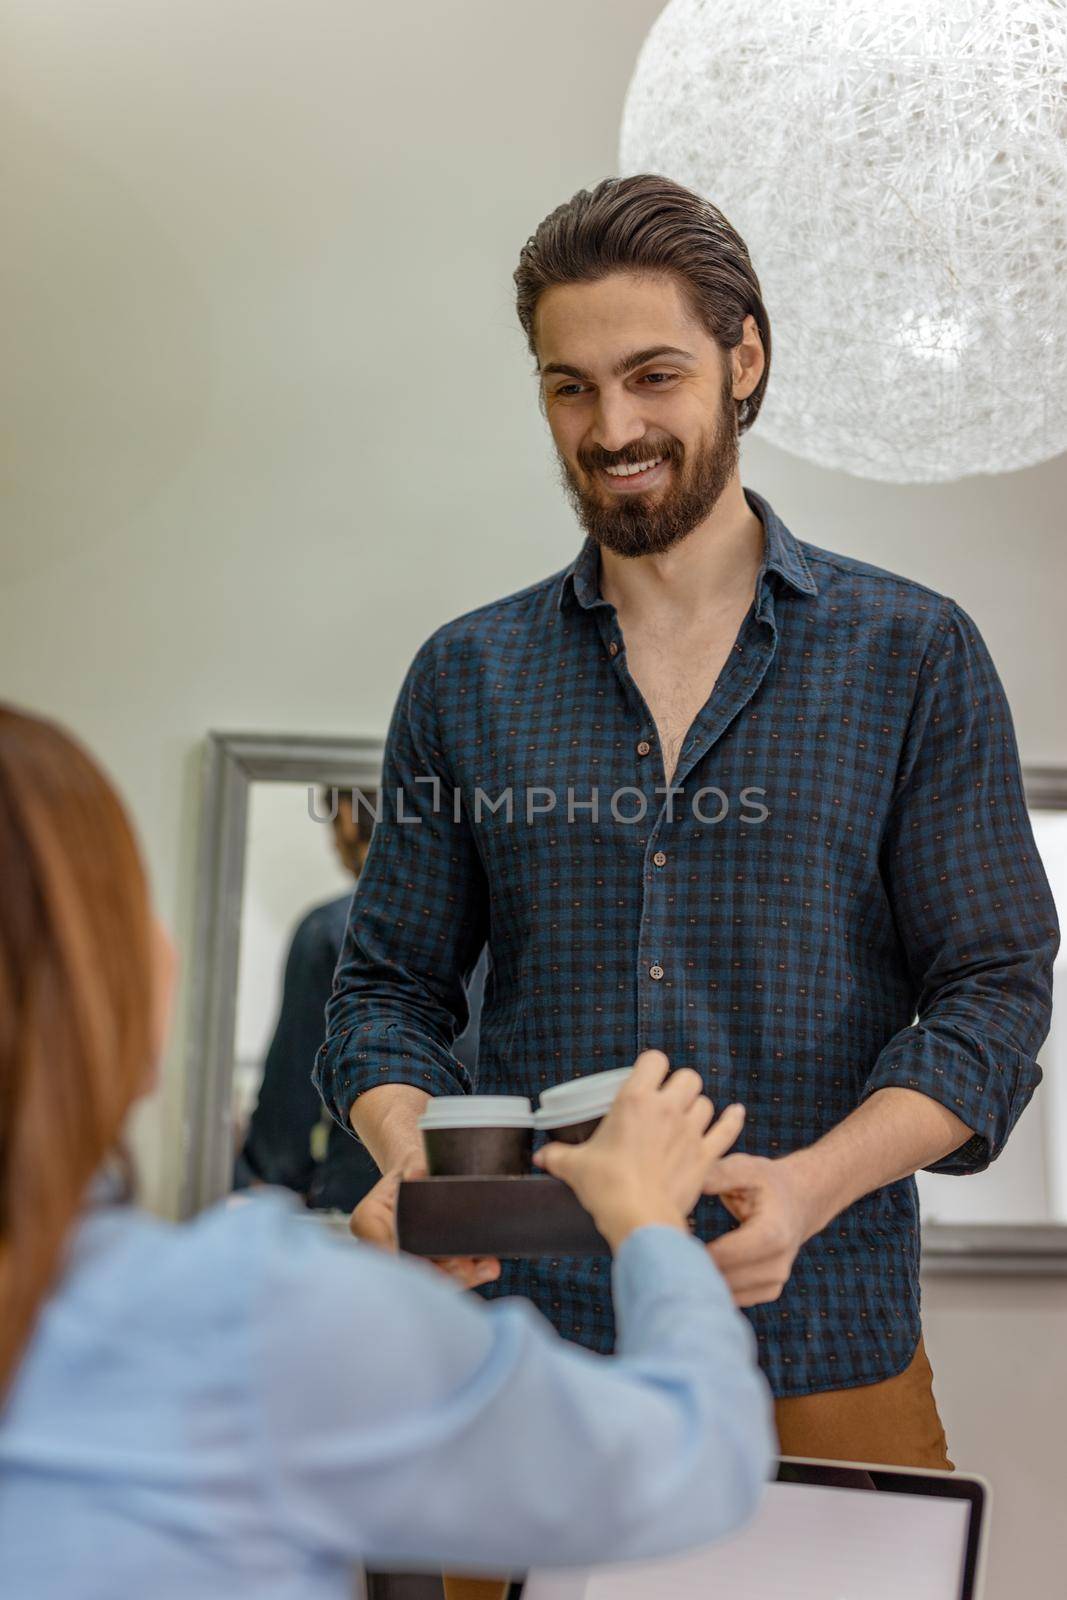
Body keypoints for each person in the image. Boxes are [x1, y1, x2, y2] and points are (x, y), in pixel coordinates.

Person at [316, 172, 1060, 1487]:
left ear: (742, 359)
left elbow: (992, 989)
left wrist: (816, 1184)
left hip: (826, 1342)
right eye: (569, 385)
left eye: (651, 374)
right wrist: (413, 1163)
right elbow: (385, 992)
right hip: (533, 1351)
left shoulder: (911, 654)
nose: (611, 426)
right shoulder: (463, 676)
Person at [0, 705, 775, 1598]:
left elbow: (287, 1123)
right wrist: (648, 1224)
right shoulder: (261, 1318)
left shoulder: (280, 1317)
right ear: (99, 989)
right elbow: (693, 1461)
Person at [234, 787, 487, 1211]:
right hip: (495, 1192)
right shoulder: (498, 930)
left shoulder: (330, 930)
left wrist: (267, 1178)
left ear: (349, 818)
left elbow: (289, 1099)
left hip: (366, 1201)